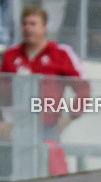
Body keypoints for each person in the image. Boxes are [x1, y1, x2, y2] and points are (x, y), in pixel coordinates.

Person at [1, 7, 90, 143]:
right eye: (25, 24)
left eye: (33, 24)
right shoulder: (10, 55)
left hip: (46, 128)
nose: (28, 29)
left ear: (44, 26)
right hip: (15, 126)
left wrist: (69, 117)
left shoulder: (60, 54)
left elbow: (83, 88)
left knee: (49, 162)